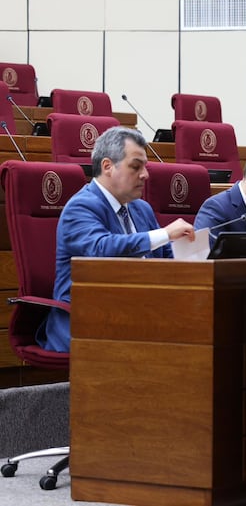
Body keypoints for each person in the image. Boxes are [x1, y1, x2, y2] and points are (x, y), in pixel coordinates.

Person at [42, 127, 195, 352]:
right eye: (135, 166)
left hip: (138, 312)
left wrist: (193, 257)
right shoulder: (81, 206)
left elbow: (166, 260)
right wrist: (164, 234)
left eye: (145, 167)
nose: (145, 175)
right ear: (107, 167)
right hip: (87, 318)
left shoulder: (141, 208)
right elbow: (102, 249)